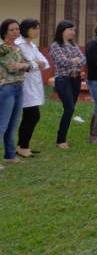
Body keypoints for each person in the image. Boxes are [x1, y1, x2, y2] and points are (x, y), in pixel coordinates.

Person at [13, 19, 50, 158]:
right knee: (33, 116)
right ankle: (23, 147)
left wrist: (33, 64)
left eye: (38, 28)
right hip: (24, 85)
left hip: (34, 84)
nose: (37, 31)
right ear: (26, 29)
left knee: (31, 116)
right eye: (34, 28)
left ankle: (21, 145)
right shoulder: (19, 44)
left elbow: (45, 63)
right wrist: (34, 64)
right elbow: (25, 65)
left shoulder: (32, 45)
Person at [48, 21, 85, 149]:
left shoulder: (73, 45)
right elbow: (61, 61)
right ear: (62, 30)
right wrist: (74, 61)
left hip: (76, 80)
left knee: (70, 109)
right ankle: (60, 140)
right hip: (63, 80)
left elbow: (83, 59)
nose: (73, 32)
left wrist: (73, 61)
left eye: (74, 30)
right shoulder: (55, 46)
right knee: (69, 108)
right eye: (70, 30)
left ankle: (62, 137)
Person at [0, 19, 31, 166]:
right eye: (12, 29)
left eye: (17, 29)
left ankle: (10, 155)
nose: (16, 32)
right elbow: (11, 67)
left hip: (19, 87)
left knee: (13, 124)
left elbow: (30, 65)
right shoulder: (2, 49)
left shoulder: (17, 48)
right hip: (7, 88)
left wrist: (22, 65)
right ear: (5, 32)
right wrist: (23, 65)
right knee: (2, 124)